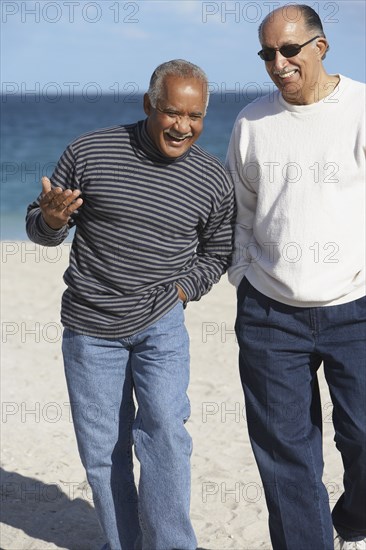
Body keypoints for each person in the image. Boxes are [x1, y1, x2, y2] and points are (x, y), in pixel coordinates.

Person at [26, 59, 235, 550]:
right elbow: (41, 227)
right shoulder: (90, 151)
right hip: (89, 325)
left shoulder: (212, 179)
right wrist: (53, 222)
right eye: (172, 113)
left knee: (164, 432)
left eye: (195, 116)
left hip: (161, 324)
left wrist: (184, 291)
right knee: (103, 450)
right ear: (149, 105)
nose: (183, 126)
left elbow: (219, 249)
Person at [226, 4, 365, 550]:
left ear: (320, 46)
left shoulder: (360, 107)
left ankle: (354, 520)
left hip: (356, 305)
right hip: (268, 314)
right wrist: (242, 273)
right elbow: (242, 209)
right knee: (286, 458)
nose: (278, 63)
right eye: (267, 54)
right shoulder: (252, 121)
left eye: (288, 50)